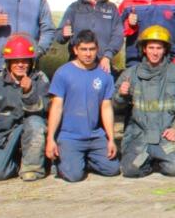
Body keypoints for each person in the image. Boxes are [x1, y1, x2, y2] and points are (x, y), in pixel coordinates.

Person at [113, 26, 175, 178]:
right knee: (131, 170)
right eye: (151, 47)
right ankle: (148, 160)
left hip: (166, 138)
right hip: (140, 137)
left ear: (165, 50)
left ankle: (160, 158)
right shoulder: (130, 75)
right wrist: (121, 95)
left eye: (159, 48)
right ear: (144, 49)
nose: (155, 52)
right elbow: (115, 108)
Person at [0, 34, 50, 181]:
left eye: (25, 61)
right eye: (16, 61)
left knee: (35, 122)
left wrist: (29, 92)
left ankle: (32, 168)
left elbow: (46, 109)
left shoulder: (40, 79)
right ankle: (16, 164)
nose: (21, 65)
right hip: (5, 137)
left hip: (33, 133)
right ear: (8, 62)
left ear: (31, 62)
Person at [45, 30, 120, 182]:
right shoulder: (63, 73)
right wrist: (50, 138)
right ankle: (66, 161)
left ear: (97, 49)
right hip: (70, 136)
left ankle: (83, 159)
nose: (88, 54)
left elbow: (106, 108)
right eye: (83, 49)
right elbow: (56, 107)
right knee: (74, 176)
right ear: (75, 50)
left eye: (91, 49)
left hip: (95, 135)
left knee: (112, 169)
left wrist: (111, 139)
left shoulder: (104, 74)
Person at [55, 0, 123, 73]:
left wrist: (107, 56)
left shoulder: (112, 9)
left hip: (102, 65)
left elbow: (118, 36)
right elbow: (58, 37)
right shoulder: (75, 7)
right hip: (77, 65)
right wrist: (63, 34)